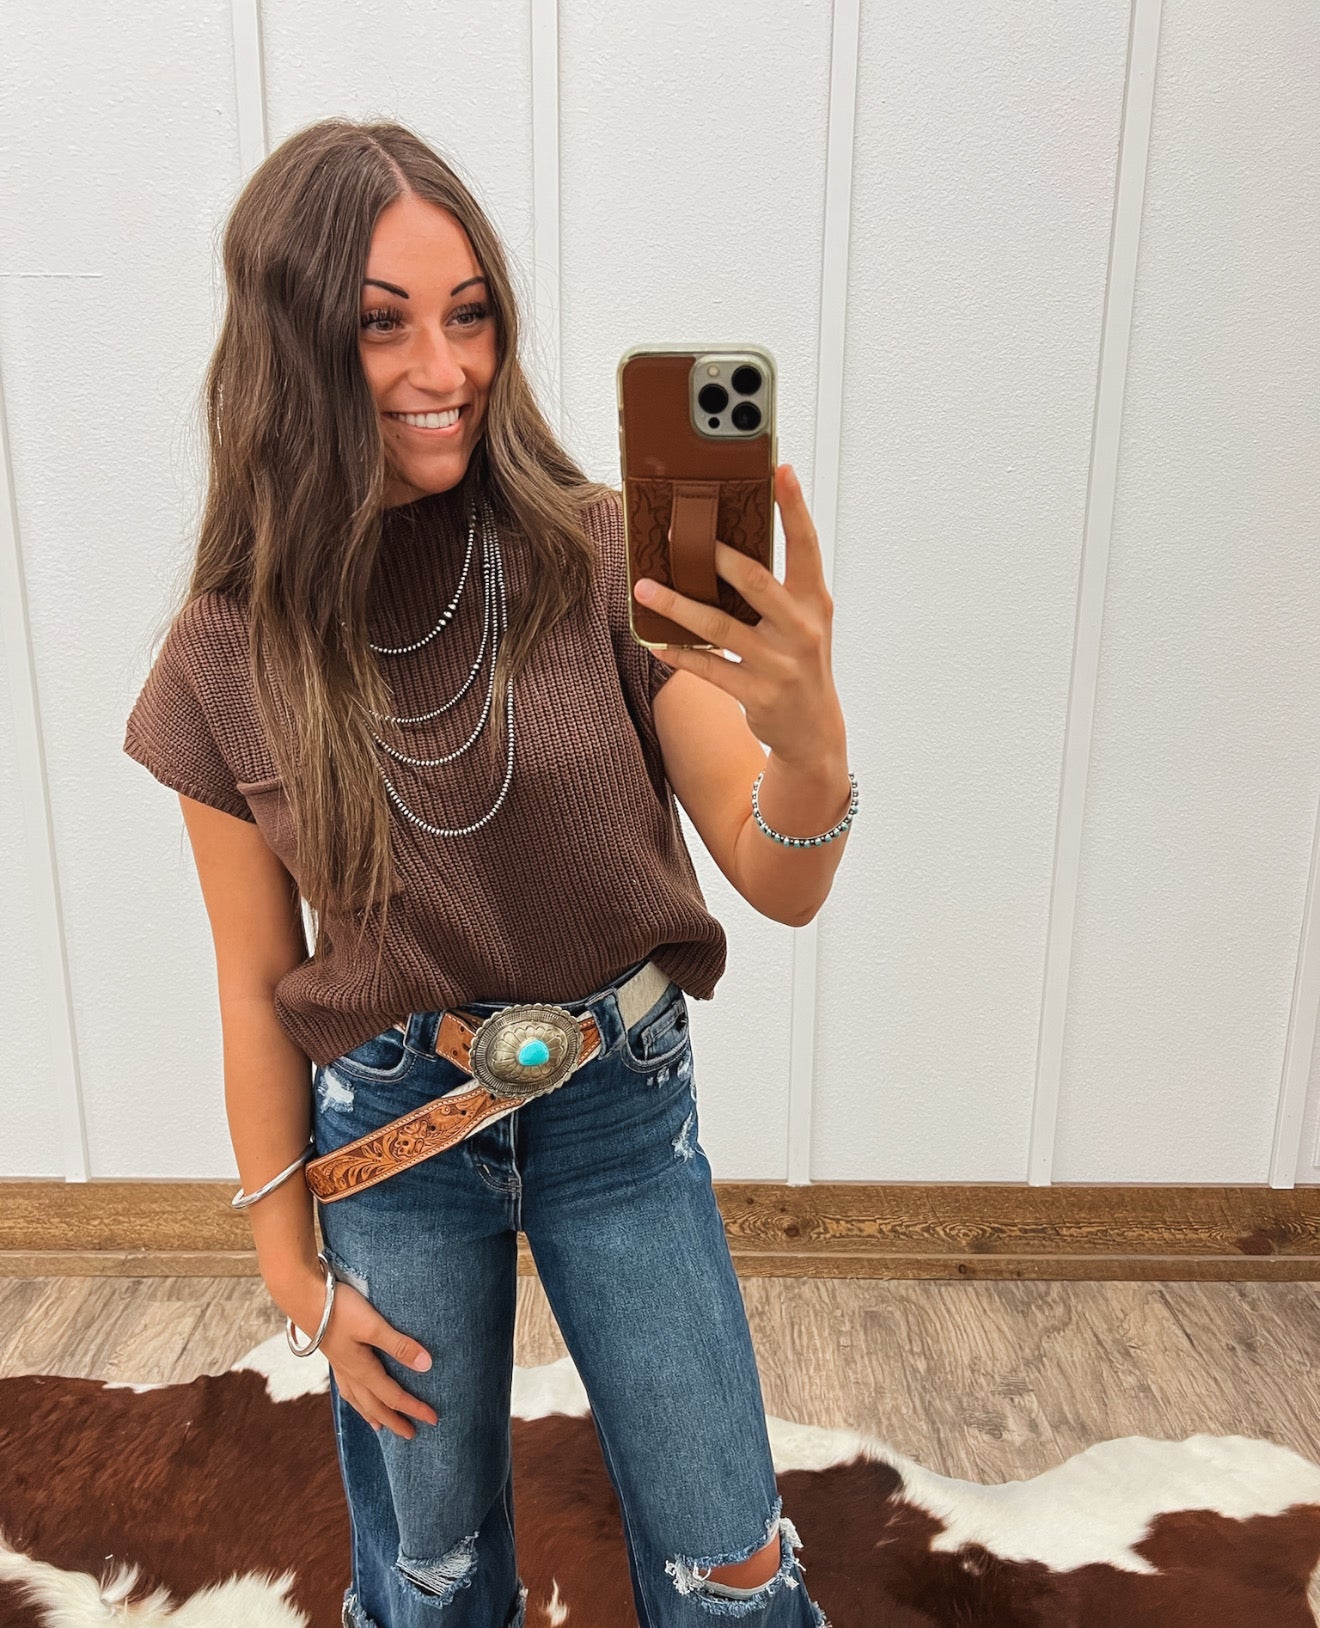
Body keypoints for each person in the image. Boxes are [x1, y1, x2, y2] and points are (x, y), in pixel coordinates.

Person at [123, 117, 854, 1628]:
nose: (444, 368)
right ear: (290, 347)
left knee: (730, 1567)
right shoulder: (224, 653)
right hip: (397, 1133)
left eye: (470, 315)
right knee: (435, 1572)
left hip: (620, 1115)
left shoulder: (602, 556)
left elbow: (777, 877)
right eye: (381, 324)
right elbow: (256, 986)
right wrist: (288, 1267)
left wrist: (813, 748)